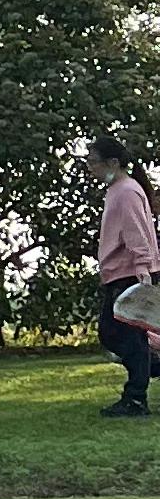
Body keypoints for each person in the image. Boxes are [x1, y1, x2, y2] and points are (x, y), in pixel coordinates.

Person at [95, 130, 159, 419]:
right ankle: (146, 373)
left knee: (124, 337)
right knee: (113, 334)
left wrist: (143, 269)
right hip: (118, 273)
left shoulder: (127, 192)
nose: (90, 170)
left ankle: (135, 399)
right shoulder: (116, 191)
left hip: (130, 274)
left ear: (112, 162)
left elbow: (138, 233)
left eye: (93, 163)